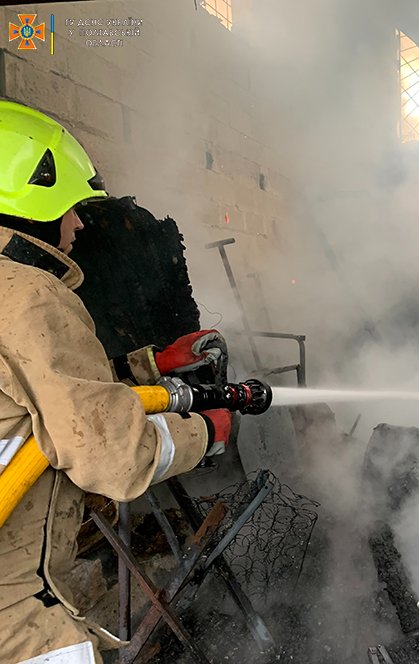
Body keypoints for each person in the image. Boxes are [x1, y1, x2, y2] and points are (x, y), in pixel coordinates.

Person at [0, 100, 232, 663]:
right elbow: (115, 454)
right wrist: (206, 431)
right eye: (69, 208)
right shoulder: (30, 295)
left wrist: (152, 365)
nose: (79, 224)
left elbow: (49, 394)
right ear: (30, 202)